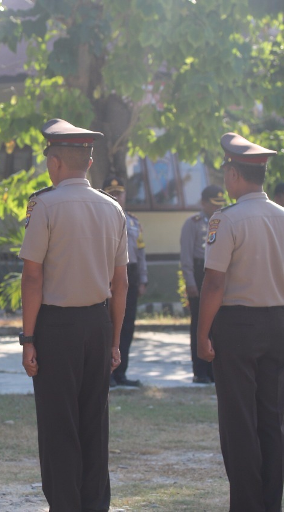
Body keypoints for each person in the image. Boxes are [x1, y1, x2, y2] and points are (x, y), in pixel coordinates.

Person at [19, 118, 128, 511]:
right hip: (97, 324)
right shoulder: (112, 208)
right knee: (94, 424)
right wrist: (115, 340)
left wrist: (29, 338)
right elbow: (122, 281)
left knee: (58, 426)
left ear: (55, 162)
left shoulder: (44, 205)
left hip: (56, 327)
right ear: (90, 160)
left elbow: (32, 277)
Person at [197, 132, 284, 512]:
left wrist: (201, 334)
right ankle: (270, 502)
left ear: (233, 174)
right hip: (278, 324)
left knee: (238, 422)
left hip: (237, 327)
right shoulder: (282, 217)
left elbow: (214, 282)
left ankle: (247, 505)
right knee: (271, 419)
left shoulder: (226, 219)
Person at [103, 175, 147, 387]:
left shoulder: (133, 221)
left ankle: (121, 372)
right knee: (108, 324)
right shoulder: (100, 219)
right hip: (107, 275)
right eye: (112, 193)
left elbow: (141, 252)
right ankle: (106, 373)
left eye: (119, 193)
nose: (116, 197)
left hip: (131, 273)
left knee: (127, 326)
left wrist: (143, 279)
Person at [179, 184, 225, 384]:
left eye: (219, 204)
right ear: (203, 203)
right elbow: (186, 256)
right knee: (199, 323)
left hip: (217, 275)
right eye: (213, 204)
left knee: (217, 324)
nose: (216, 208)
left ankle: (215, 369)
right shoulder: (193, 223)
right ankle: (200, 371)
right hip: (199, 274)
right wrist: (190, 282)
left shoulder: (224, 221)